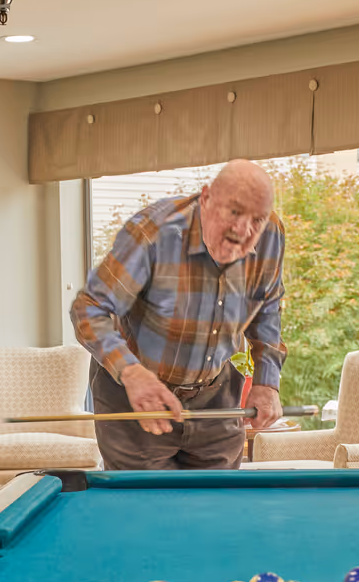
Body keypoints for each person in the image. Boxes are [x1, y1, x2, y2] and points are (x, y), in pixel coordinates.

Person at [71, 159, 287, 470]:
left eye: (256, 220)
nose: (243, 231)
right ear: (206, 198)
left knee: (214, 511)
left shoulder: (271, 235)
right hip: (136, 397)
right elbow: (89, 308)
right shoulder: (152, 232)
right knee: (147, 512)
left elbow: (268, 308)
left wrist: (267, 382)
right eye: (234, 212)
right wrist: (133, 376)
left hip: (215, 397)